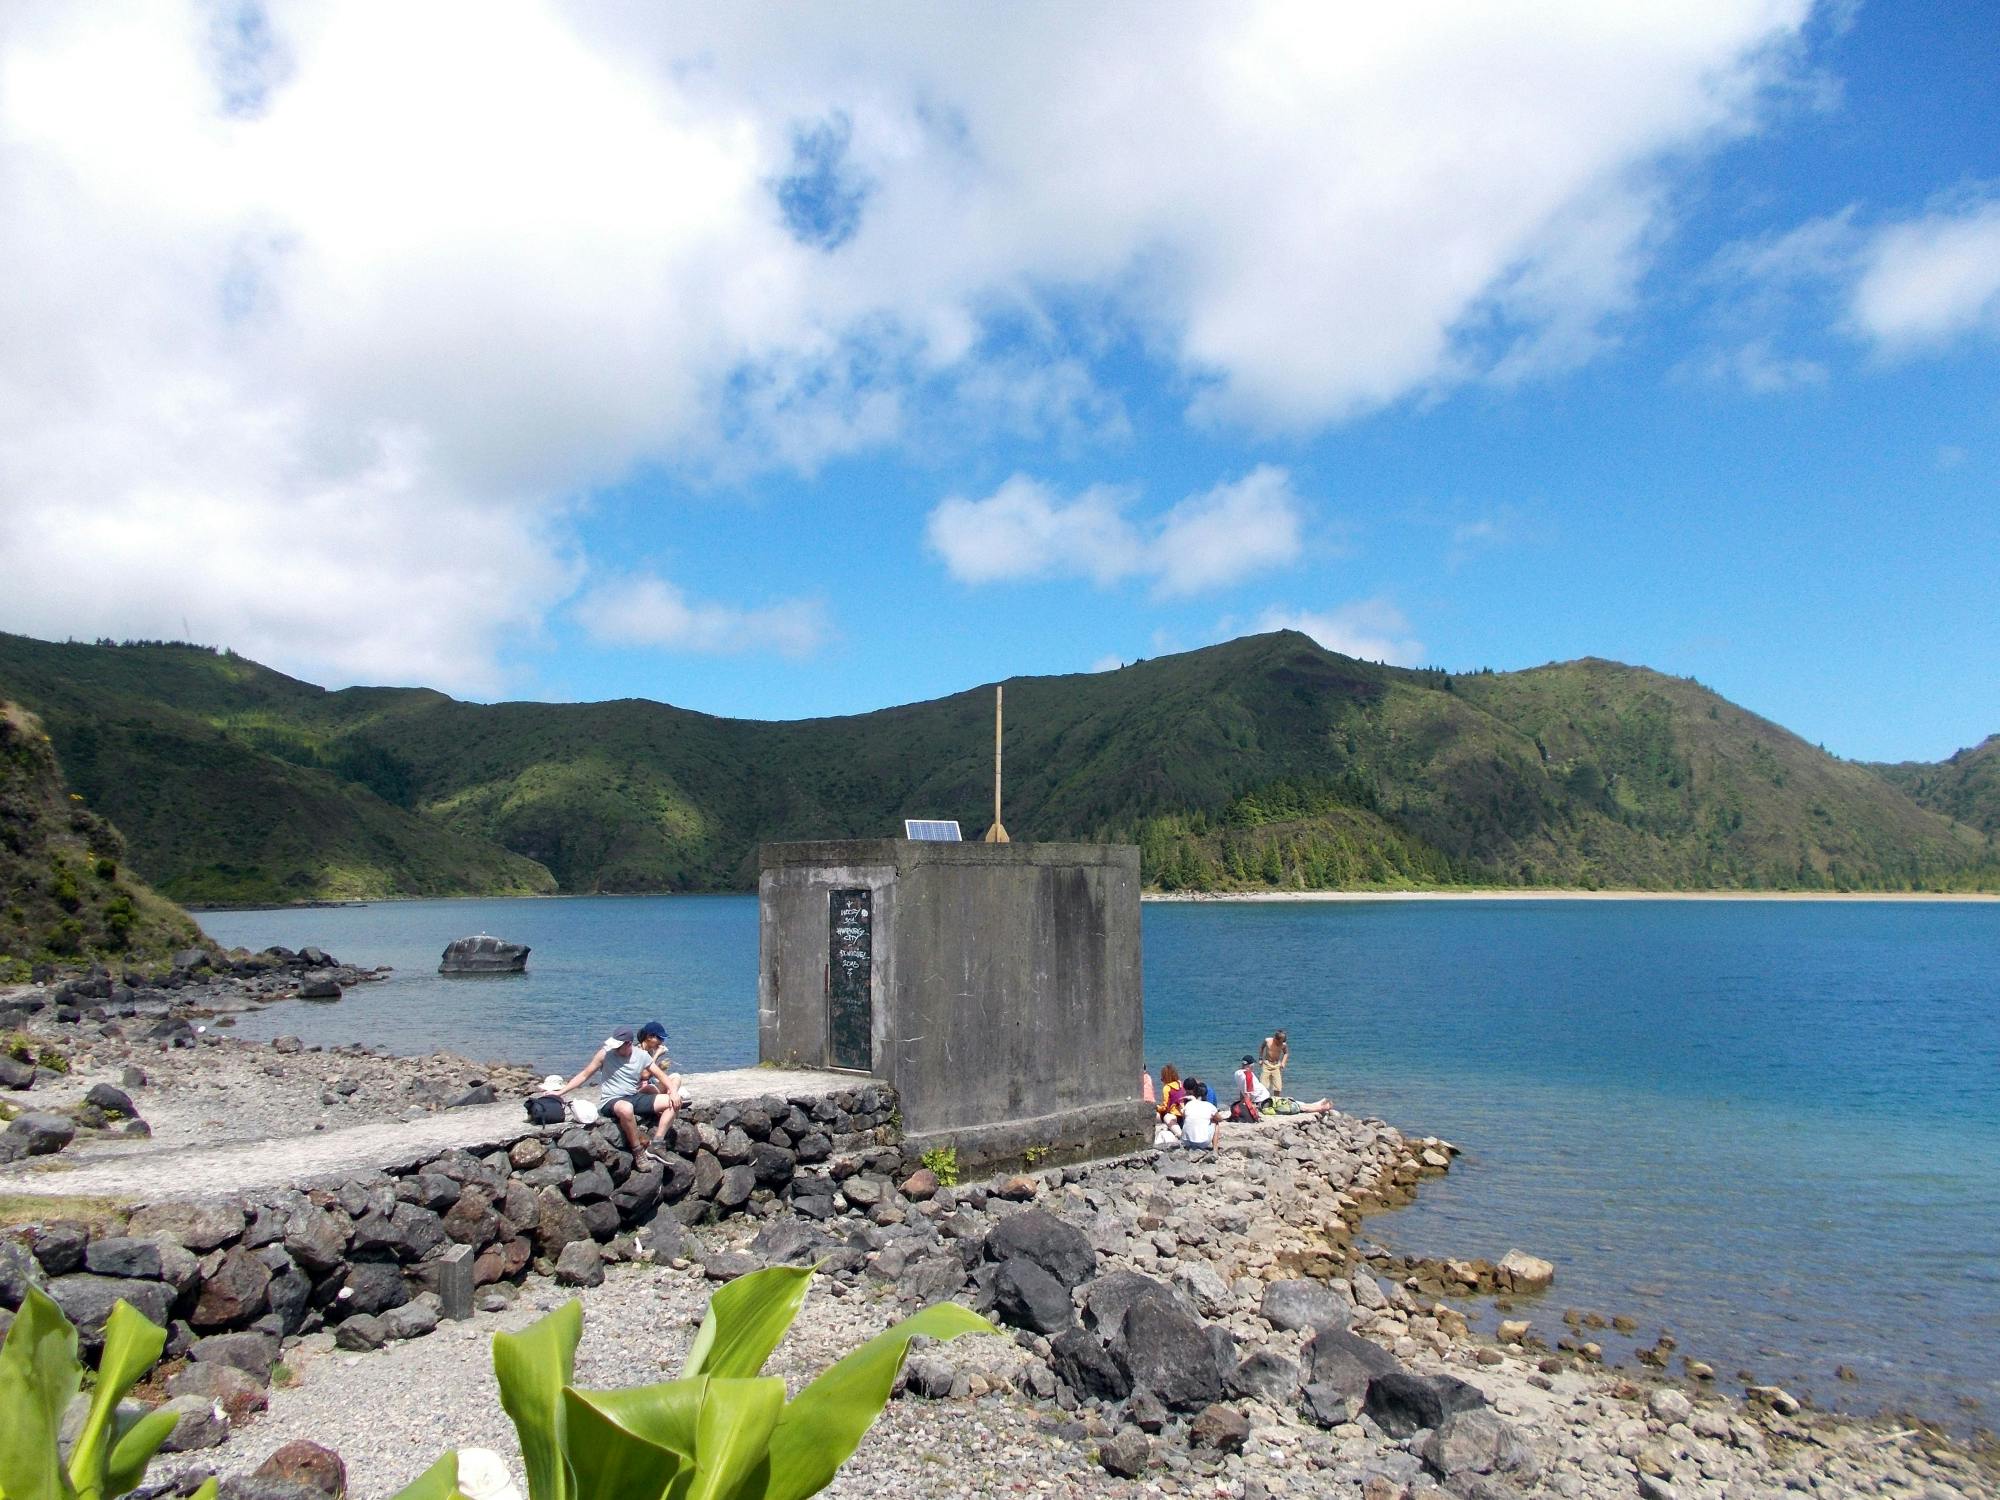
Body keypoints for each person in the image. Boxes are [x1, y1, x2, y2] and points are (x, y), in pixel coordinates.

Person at [554, 1022, 681, 1160]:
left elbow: (661, 1075)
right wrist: (561, 1092)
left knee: (673, 1101)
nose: (614, 1048)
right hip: (612, 1100)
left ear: (628, 1044)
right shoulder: (605, 1053)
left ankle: (656, 1144)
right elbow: (585, 1074)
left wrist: (673, 1092)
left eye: (618, 1045)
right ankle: (638, 1152)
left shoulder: (641, 1056)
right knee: (626, 1108)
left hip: (633, 1096)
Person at [1180, 1078, 1220, 1151]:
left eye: (1189, 1092)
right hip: (1202, 1141)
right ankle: (1215, 1149)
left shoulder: (1208, 1092)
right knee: (1216, 1123)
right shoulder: (1194, 1095)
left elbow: (1208, 1110)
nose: (1187, 1093)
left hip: (1186, 1141)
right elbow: (1219, 1118)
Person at [1259, 1029, 1289, 1099]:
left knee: (1277, 1087)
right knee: (1263, 1086)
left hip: (1276, 1066)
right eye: (1281, 1041)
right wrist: (1260, 1058)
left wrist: (1283, 1062)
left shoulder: (1283, 1044)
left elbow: (1286, 1053)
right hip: (1267, 1064)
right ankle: (1263, 1101)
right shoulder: (1267, 1041)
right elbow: (1261, 1048)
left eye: (1283, 1041)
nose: (1281, 1043)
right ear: (1276, 1038)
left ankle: (1276, 1101)